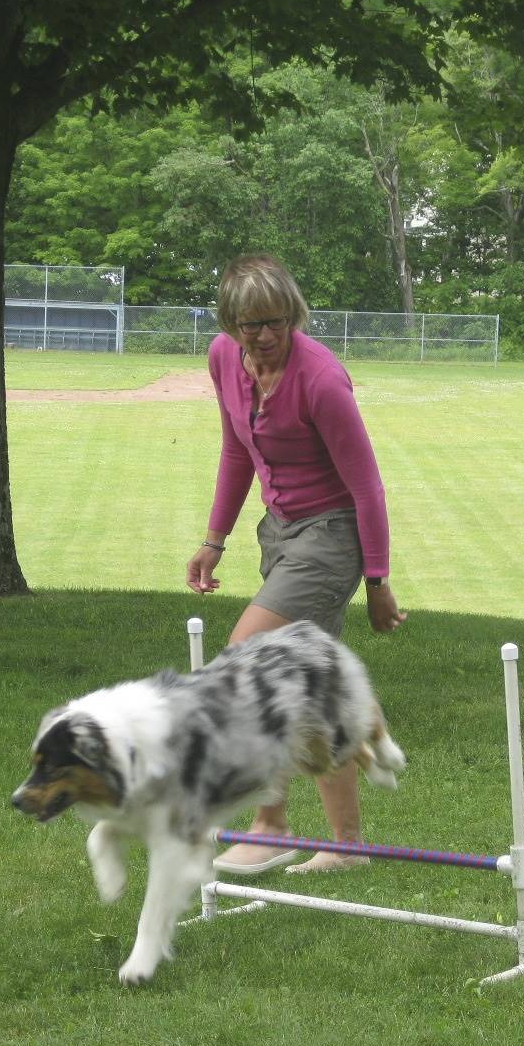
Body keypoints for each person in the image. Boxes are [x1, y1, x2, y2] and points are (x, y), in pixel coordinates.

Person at [187, 253, 407, 875]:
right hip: (278, 533)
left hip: (331, 536)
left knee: (245, 657)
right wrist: (215, 538)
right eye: (251, 324)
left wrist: (378, 582)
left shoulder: (320, 379)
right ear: (230, 321)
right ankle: (348, 846)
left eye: (277, 322)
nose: (265, 335)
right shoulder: (223, 359)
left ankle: (270, 824)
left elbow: (367, 487)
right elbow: (236, 449)